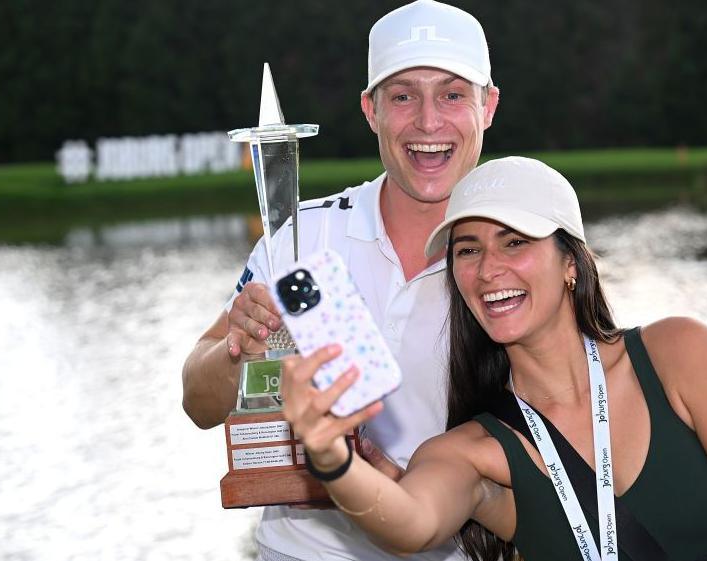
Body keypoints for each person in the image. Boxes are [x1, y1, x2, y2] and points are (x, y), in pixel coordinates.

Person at [283, 157, 707, 561]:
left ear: (571, 262)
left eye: (515, 242)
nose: (488, 268)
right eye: (468, 250)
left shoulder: (680, 355)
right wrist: (331, 457)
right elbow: (408, 523)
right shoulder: (475, 450)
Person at [181, 1, 498, 560]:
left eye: (452, 94)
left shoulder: (519, 254)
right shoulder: (305, 235)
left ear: (487, 105)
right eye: (402, 96)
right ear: (370, 110)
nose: (428, 122)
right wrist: (239, 349)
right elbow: (197, 402)